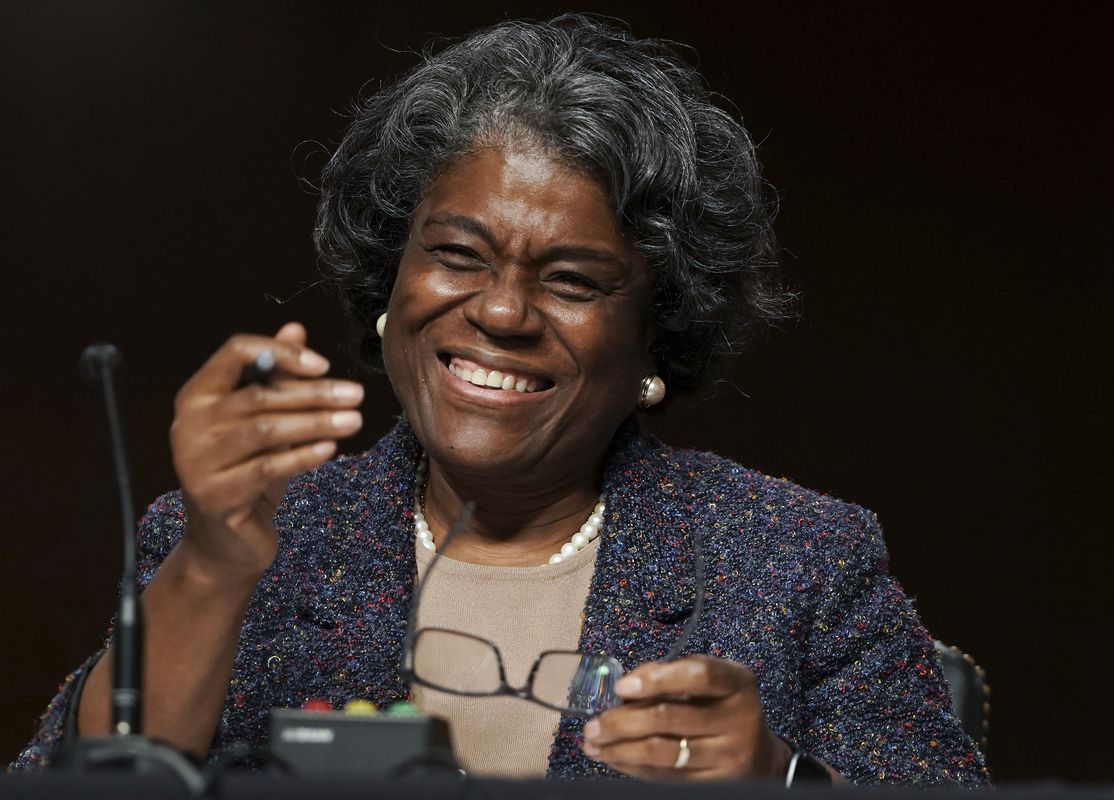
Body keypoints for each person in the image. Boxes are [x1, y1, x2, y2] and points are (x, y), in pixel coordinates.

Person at [11, 15, 987, 785]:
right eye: (456, 256)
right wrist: (214, 569)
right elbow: (77, 785)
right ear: (393, 285)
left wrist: (781, 778)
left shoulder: (800, 561)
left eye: (571, 279)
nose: (504, 310)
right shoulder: (226, 539)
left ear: (657, 329)